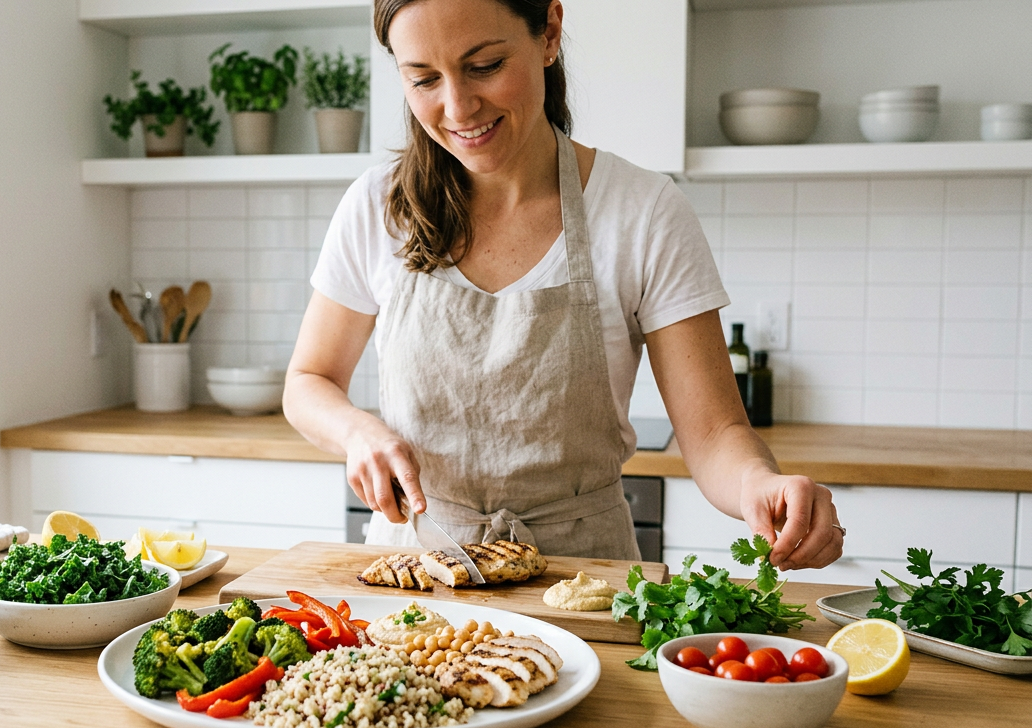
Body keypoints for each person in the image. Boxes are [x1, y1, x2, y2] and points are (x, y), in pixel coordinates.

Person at [283, 0, 844, 571]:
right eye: (424, 78)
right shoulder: (378, 207)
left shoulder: (642, 211)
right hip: (418, 578)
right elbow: (309, 381)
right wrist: (357, 432)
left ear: (549, 33)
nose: (457, 106)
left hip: (585, 578)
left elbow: (715, 431)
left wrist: (759, 483)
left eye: (485, 66)